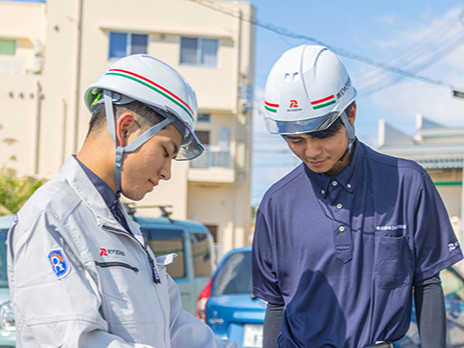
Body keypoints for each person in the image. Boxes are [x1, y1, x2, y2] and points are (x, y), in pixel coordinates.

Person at [7, 54, 239, 347]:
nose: (167, 172)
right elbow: (73, 341)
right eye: (166, 151)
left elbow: (173, 325)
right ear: (126, 129)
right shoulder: (52, 216)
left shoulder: (122, 224)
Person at [252, 44, 463, 348]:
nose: (311, 151)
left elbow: (427, 283)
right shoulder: (276, 204)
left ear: (350, 113)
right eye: (295, 140)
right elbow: (276, 304)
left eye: (322, 134)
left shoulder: (408, 183)